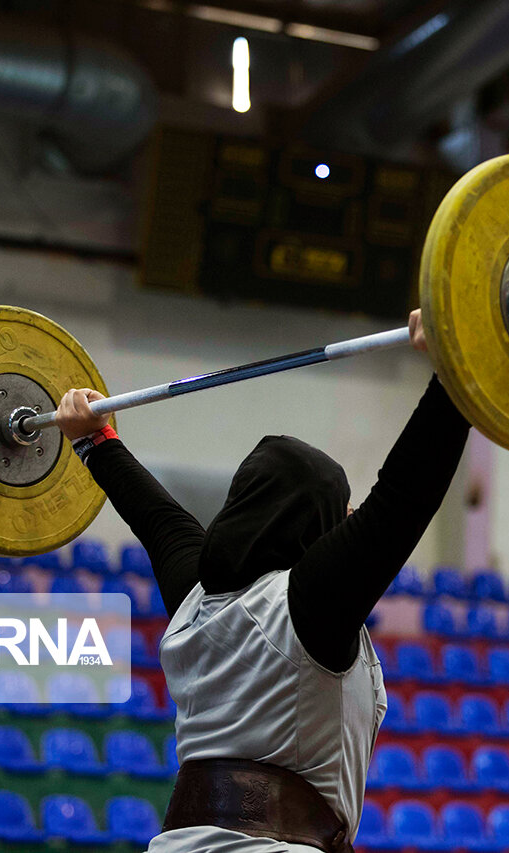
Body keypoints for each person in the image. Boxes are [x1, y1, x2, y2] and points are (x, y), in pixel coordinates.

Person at [56, 309, 469, 852]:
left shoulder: (196, 597)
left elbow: (156, 517)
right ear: (311, 522)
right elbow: (402, 499)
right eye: (340, 510)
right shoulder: (309, 606)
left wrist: (93, 440)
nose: (348, 523)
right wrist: (454, 378)